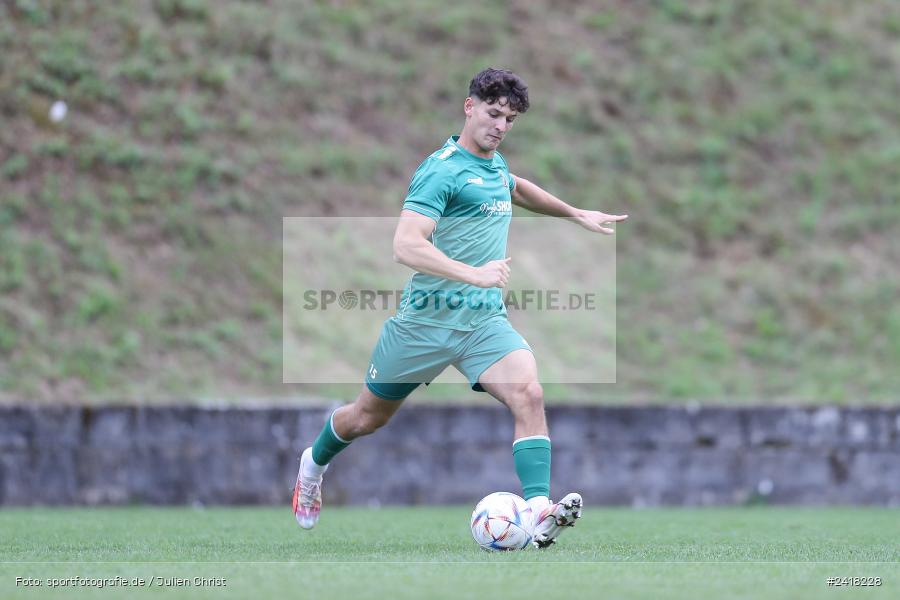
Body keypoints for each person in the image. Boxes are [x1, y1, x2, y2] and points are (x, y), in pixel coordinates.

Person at [293, 68, 627, 548]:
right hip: (424, 323)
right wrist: (474, 273)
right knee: (366, 418)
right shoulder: (441, 170)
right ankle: (311, 467)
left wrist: (575, 213)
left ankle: (537, 512)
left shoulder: (493, 164)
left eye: (510, 119)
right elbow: (405, 245)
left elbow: (514, 186)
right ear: (469, 107)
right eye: (493, 114)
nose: (501, 125)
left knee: (528, 394)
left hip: (482, 324)